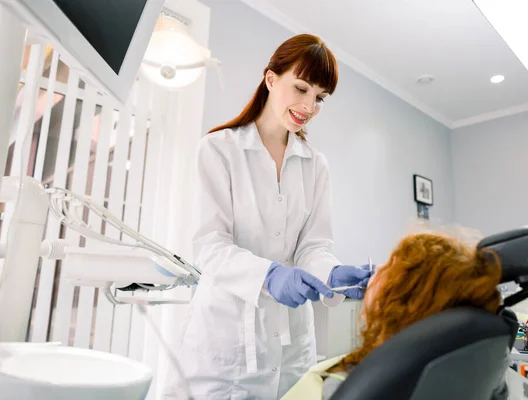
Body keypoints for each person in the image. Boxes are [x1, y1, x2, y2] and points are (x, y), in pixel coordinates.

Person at [163, 34, 374, 399]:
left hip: (291, 350)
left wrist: (332, 273)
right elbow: (210, 245)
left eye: (319, 97)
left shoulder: (315, 165)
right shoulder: (219, 150)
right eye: (302, 88)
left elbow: (313, 247)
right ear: (271, 79)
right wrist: (269, 274)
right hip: (224, 350)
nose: (309, 106)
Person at [282, 230, 509, 400]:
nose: (376, 269)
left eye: (390, 267)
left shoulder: (344, 388)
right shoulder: (471, 362)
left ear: (408, 303)